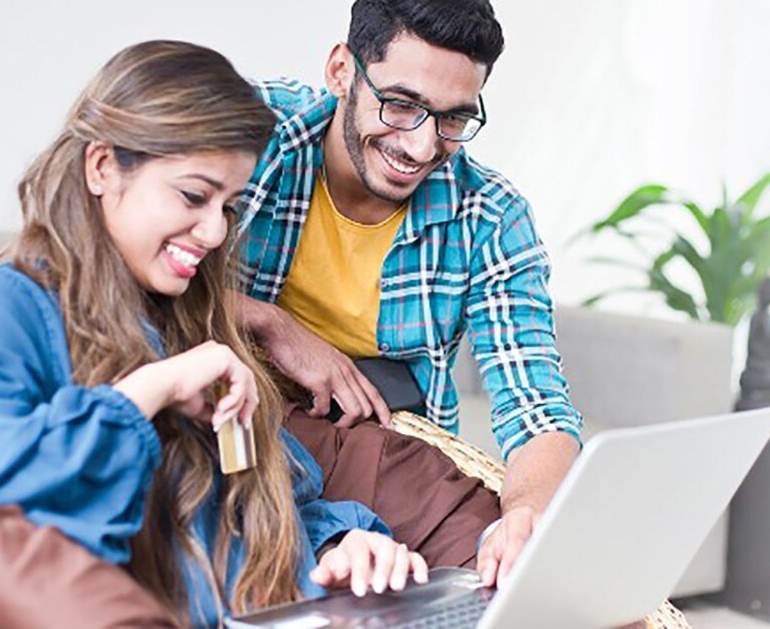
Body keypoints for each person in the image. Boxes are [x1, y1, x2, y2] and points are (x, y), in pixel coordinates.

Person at [0, 40, 427, 626]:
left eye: (228, 206)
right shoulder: (10, 306)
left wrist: (340, 547)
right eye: (192, 195)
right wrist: (150, 391)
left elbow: (267, 505)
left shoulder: (186, 319)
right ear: (102, 167)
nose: (213, 232)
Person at [234, 0, 582, 587]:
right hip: (234, 425)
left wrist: (527, 515)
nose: (421, 149)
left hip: (386, 451)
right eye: (401, 106)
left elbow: (535, 407)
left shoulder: (489, 217)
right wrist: (267, 322)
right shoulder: (250, 127)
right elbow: (103, 260)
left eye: (452, 119)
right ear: (342, 70)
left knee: (528, 589)